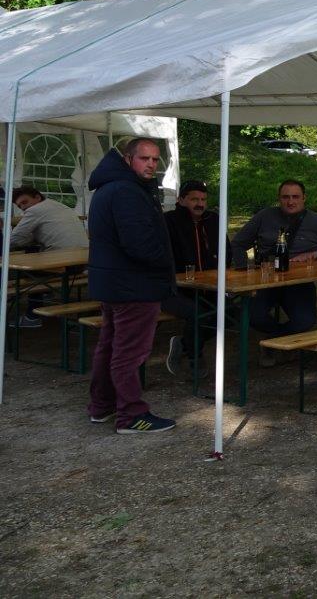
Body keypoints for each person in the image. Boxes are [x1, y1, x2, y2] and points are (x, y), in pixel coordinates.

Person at [85, 138, 177, 433]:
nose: (151, 164)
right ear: (127, 159)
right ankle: (131, 414)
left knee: (110, 345)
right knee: (129, 352)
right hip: (133, 284)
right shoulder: (125, 191)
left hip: (116, 281)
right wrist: (164, 262)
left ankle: (102, 405)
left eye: (155, 159)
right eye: (144, 158)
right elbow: (139, 243)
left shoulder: (111, 187)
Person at [231, 179, 317, 364]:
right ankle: (283, 340)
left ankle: (272, 343)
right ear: (279, 198)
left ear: (304, 198)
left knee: (306, 320)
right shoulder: (264, 216)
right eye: (285, 197)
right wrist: (244, 271)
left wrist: (314, 253)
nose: (290, 202)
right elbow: (237, 243)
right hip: (265, 281)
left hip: (298, 283)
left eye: (295, 197)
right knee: (251, 315)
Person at [162, 180, 224, 376]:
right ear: (181, 200)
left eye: (203, 199)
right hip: (172, 288)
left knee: (232, 313)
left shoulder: (214, 220)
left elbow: (227, 252)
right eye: (194, 199)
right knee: (199, 313)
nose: (200, 204)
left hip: (208, 286)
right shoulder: (168, 221)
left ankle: (183, 343)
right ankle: (194, 357)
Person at [9, 185, 89, 328]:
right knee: (34, 257)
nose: (23, 208)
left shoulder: (35, 210)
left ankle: (32, 316)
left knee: (23, 270)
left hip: (65, 265)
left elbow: (14, 239)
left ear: (37, 197)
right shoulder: (59, 206)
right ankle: (45, 293)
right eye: (20, 206)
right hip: (83, 262)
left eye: (25, 202)